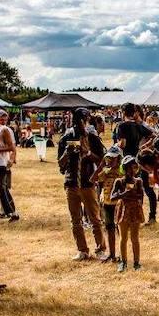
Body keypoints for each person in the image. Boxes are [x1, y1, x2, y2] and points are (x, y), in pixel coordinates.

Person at [58, 108, 107, 261]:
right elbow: (60, 166)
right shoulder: (66, 137)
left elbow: (103, 161)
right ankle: (82, 250)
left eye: (82, 119)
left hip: (87, 182)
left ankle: (100, 249)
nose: (80, 122)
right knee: (75, 220)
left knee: (95, 218)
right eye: (77, 119)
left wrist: (88, 153)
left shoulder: (92, 137)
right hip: (71, 182)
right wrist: (67, 152)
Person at [115, 103, 158, 225]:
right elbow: (153, 135)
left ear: (123, 113)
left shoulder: (121, 125)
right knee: (144, 189)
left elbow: (122, 143)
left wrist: (117, 145)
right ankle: (149, 215)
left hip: (127, 161)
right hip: (139, 160)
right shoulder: (137, 125)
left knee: (128, 189)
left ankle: (129, 216)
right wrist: (144, 147)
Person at [112, 155, 145, 272]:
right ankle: (123, 262)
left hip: (135, 210)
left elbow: (141, 196)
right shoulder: (119, 181)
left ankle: (136, 263)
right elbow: (112, 197)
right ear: (125, 169)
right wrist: (124, 193)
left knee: (135, 238)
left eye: (135, 168)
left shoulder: (139, 181)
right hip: (123, 210)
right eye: (130, 168)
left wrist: (133, 195)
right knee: (123, 238)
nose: (133, 171)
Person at [91, 146, 123, 263]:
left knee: (120, 229)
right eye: (108, 158)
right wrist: (101, 166)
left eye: (113, 158)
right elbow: (93, 179)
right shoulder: (105, 171)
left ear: (119, 159)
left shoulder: (122, 170)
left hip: (119, 204)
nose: (110, 160)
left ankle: (122, 253)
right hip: (107, 203)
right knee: (109, 228)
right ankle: (112, 254)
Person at [0, 110, 20, 221]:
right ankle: (3, 211)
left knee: (3, 188)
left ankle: (13, 212)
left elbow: (13, 148)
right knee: (0, 189)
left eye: (6, 120)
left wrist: (11, 159)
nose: (4, 122)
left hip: (3, 163)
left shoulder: (8, 130)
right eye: (2, 120)